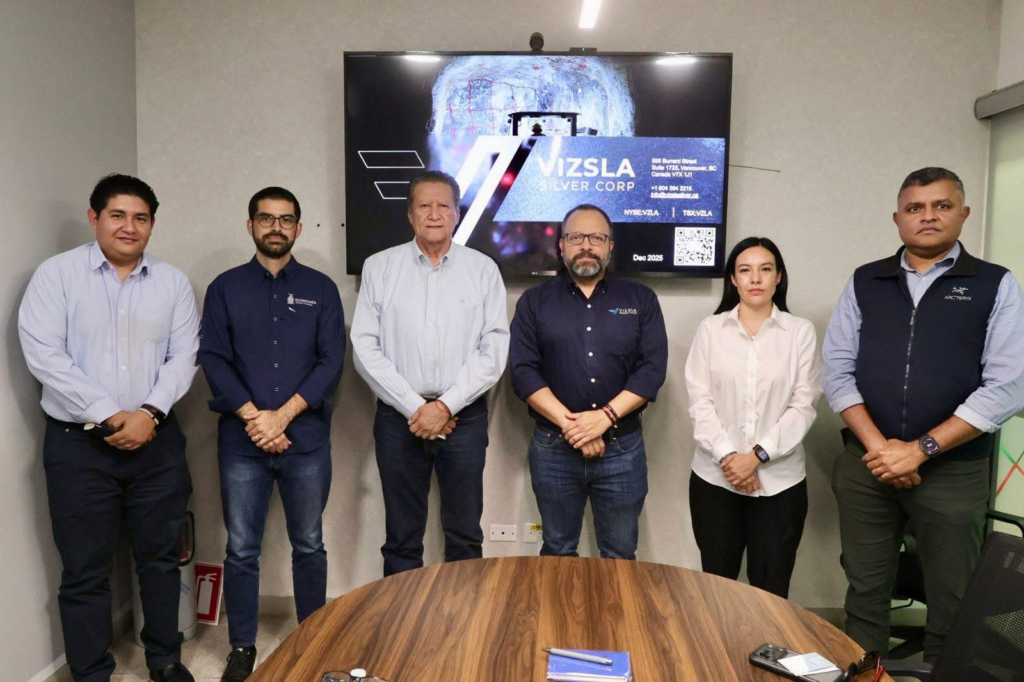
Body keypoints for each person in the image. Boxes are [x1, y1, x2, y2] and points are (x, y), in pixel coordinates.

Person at [822, 167, 1024, 662]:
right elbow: (837, 371)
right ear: (897, 218)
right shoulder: (866, 280)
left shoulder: (995, 284)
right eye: (915, 207)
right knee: (864, 589)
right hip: (867, 467)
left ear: (963, 213)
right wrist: (881, 451)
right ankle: (868, 673)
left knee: (953, 598)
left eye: (941, 206)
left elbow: (1007, 386)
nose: (928, 216)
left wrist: (920, 450)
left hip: (953, 470)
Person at [19, 174, 199, 682]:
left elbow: (184, 356)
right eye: (117, 215)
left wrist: (150, 414)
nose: (129, 227)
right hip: (78, 447)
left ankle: (165, 660)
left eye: (141, 218)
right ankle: (91, 672)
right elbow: (45, 355)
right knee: (84, 570)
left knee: (160, 560)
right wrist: (109, 413)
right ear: (94, 217)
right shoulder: (56, 276)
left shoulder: (172, 282)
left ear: (152, 225)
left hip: (157, 443)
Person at [198, 187, 345, 681]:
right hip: (242, 444)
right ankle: (242, 647)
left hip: (306, 442)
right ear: (251, 226)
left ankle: (312, 638)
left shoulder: (321, 289)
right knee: (241, 548)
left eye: (286, 220)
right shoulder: (225, 288)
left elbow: (332, 361)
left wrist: (282, 417)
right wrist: (255, 418)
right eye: (266, 219)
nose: (276, 227)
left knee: (310, 544)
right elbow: (213, 358)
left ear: (298, 228)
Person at [351, 170, 509, 576]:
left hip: (464, 418)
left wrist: (445, 406)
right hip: (398, 420)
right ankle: (404, 618)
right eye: (424, 205)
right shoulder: (379, 267)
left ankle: (464, 617)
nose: (434, 214)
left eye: (443, 206)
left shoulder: (483, 270)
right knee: (401, 537)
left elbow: (493, 350)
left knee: (464, 534)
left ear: (457, 214)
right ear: (410, 215)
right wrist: (415, 408)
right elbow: (365, 347)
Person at [509, 204, 667, 559]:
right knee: (557, 550)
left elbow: (652, 369)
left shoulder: (641, 299)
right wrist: (575, 427)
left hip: (621, 449)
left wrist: (604, 418)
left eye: (596, 238)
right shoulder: (534, 302)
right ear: (561, 246)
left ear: (610, 246)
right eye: (575, 237)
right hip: (554, 447)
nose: (586, 246)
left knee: (620, 554)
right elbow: (522, 371)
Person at [683, 237, 822, 598]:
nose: (755, 278)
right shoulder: (711, 329)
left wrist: (757, 457)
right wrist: (731, 459)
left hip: (779, 484)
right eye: (745, 270)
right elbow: (700, 401)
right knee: (718, 588)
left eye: (765, 269)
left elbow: (804, 405)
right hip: (715, 480)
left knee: (771, 591)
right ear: (733, 279)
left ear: (779, 276)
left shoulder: (800, 332)